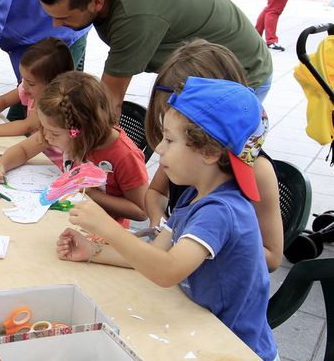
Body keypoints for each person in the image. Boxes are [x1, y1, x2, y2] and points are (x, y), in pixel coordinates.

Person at [57, 77, 278, 361]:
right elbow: (156, 253)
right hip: (199, 327)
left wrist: (107, 227)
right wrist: (93, 250)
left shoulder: (222, 210)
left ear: (210, 152)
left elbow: (168, 270)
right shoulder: (194, 196)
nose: (159, 148)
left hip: (235, 347)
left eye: (170, 140)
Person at [36, 0, 273, 108]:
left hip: (242, 74)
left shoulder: (134, 13)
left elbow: (109, 102)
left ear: (97, 2)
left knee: (206, 158)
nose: (56, 25)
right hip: (201, 71)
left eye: (64, 17)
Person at [143, 40, 282, 271]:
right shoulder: (185, 156)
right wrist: (160, 221)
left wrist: (203, 239)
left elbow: (273, 257)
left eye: (170, 138)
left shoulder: (257, 170)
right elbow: (156, 192)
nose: (160, 147)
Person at [0, 71, 148, 226]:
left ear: (80, 131)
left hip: (101, 232)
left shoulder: (125, 156)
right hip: (65, 216)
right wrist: (2, 164)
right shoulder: (59, 128)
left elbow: (141, 211)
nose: (46, 137)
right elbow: (24, 150)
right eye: (44, 128)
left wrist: (88, 192)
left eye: (54, 134)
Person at [0, 38, 73, 141]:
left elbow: (27, 126)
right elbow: (4, 100)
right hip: (35, 149)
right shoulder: (29, 88)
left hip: (51, 157)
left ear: (53, 84)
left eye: (31, 83)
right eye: (23, 78)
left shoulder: (54, 105)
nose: (24, 85)